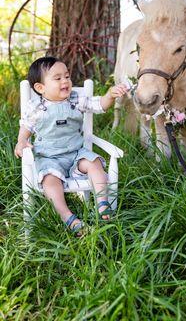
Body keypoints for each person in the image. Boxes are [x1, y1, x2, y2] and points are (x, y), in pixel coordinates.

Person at [15, 57, 128, 235]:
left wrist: (109, 95)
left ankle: (103, 204)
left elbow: (99, 105)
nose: (65, 81)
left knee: (94, 163)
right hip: (49, 158)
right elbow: (26, 126)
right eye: (57, 78)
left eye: (67, 76)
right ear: (40, 88)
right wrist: (22, 141)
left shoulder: (76, 99)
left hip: (76, 155)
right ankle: (69, 218)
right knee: (50, 181)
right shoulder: (36, 107)